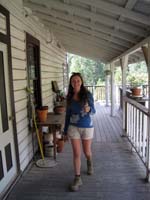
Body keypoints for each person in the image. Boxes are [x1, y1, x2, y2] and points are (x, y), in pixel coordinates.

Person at [63, 72, 96, 192]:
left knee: (87, 151)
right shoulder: (70, 97)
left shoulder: (87, 95)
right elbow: (67, 115)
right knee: (77, 153)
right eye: (73, 81)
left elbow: (94, 111)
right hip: (73, 127)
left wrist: (89, 109)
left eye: (78, 80)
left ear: (81, 82)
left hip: (87, 126)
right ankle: (77, 178)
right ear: (71, 83)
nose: (75, 83)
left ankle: (89, 161)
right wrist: (65, 131)